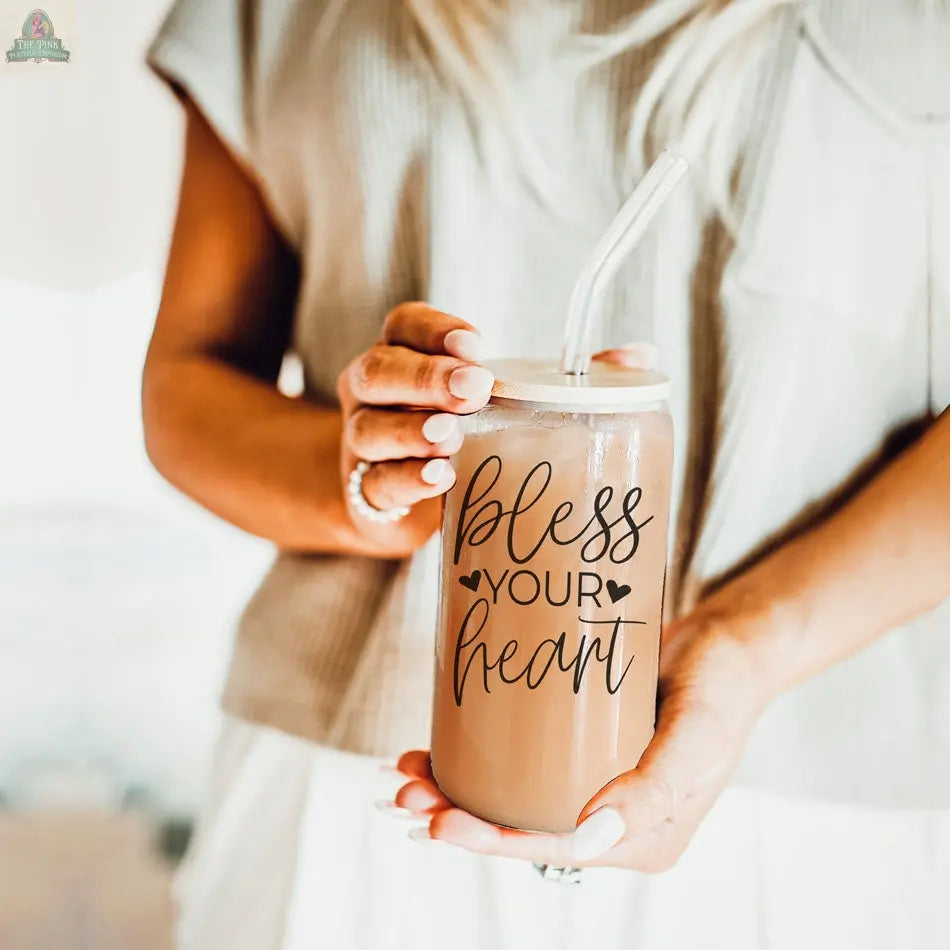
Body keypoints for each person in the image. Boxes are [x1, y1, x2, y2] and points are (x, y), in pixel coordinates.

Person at [143, 1, 950, 947]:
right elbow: (187, 380)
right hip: (346, 787)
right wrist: (376, 480)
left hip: (807, 810)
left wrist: (744, 644)